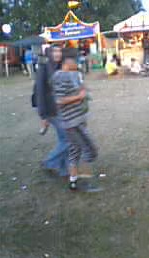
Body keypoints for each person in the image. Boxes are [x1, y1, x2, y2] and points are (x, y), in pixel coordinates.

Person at [53, 54, 98, 191]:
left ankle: (73, 181)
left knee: (75, 150)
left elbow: (81, 90)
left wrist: (83, 90)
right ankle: (82, 178)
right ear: (66, 64)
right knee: (89, 150)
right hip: (71, 123)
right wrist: (78, 97)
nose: (76, 65)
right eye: (74, 63)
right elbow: (59, 100)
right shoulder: (59, 77)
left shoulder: (73, 75)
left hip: (79, 119)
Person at [35, 45, 68, 177]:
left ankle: (63, 169)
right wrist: (43, 115)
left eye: (59, 51)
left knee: (63, 138)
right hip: (51, 110)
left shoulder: (60, 66)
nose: (57, 54)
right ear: (49, 53)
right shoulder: (43, 68)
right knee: (68, 139)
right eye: (54, 51)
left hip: (61, 108)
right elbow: (39, 92)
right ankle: (49, 162)